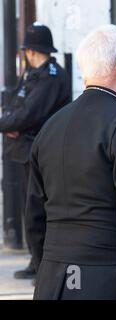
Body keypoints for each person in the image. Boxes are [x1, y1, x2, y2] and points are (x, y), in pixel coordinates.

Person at [25, 24, 116, 300]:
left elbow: (34, 217)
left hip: (54, 281)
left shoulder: (50, 127)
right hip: (111, 280)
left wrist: (48, 266)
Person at [0, 23, 71, 279]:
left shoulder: (51, 76)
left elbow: (30, 114)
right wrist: (10, 122)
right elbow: (14, 108)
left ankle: (43, 265)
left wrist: (11, 123)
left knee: (37, 210)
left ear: (31, 51)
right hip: (22, 151)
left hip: (39, 152)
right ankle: (36, 261)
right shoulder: (31, 74)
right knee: (29, 209)